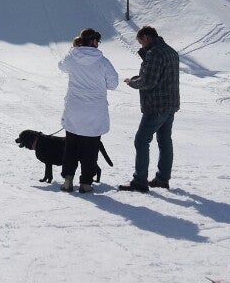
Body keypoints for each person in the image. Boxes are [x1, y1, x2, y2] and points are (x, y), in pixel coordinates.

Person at [120, 25, 180, 193]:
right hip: (170, 105)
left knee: (141, 140)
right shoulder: (171, 51)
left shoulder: (154, 54)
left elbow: (148, 82)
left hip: (156, 106)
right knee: (165, 141)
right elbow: (158, 77)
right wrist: (138, 78)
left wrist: (132, 82)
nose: (141, 46)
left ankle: (140, 181)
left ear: (146, 37)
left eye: (140, 42)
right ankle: (162, 178)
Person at [58, 28, 118, 193]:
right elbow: (113, 84)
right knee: (90, 148)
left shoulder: (72, 57)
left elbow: (61, 66)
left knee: (71, 146)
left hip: (74, 110)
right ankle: (85, 183)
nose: (98, 44)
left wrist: (74, 49)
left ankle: (67, 180)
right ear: (93, 41)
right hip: (94, 112)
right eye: (97, 41)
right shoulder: (103, 61)